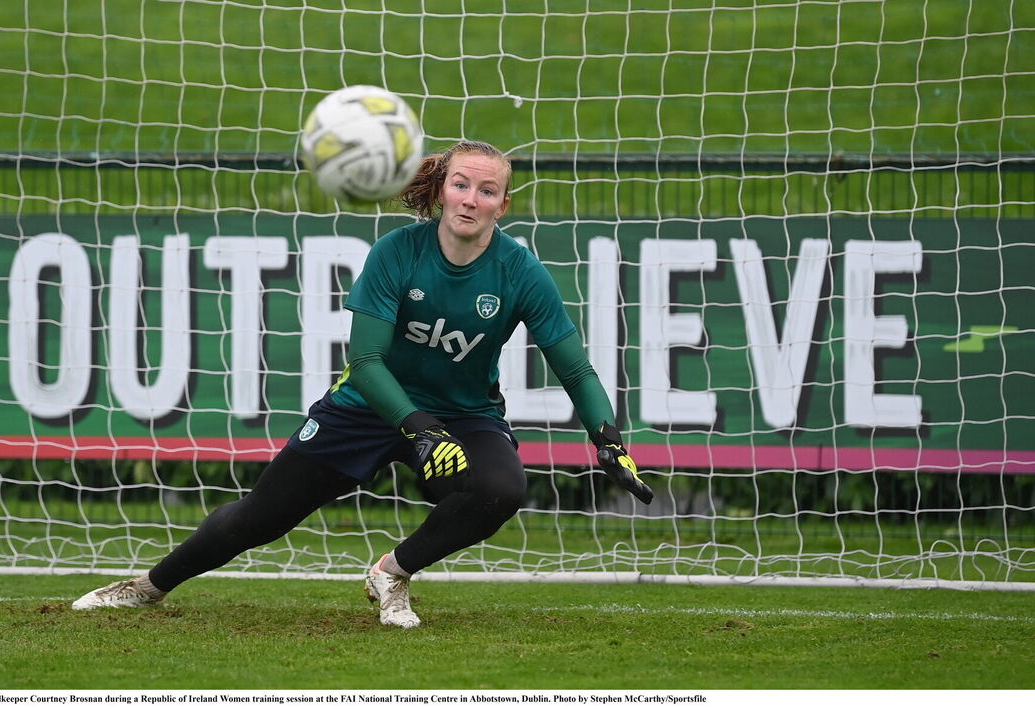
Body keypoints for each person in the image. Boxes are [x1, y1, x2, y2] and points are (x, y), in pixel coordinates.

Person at [71, 140, 653, 628]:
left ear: (503, 204)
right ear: (440, 189)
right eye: (460, 184)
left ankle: (391, 574)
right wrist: (418, 428)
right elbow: (367, 361)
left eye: (486, 190)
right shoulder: (396, 252)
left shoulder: (520, 272)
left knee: (501, 488)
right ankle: (149, 585)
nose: (470, 199)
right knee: (261, 520)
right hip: (367, 407)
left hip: (463, 416)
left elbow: (574, 368)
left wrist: (607, 437)